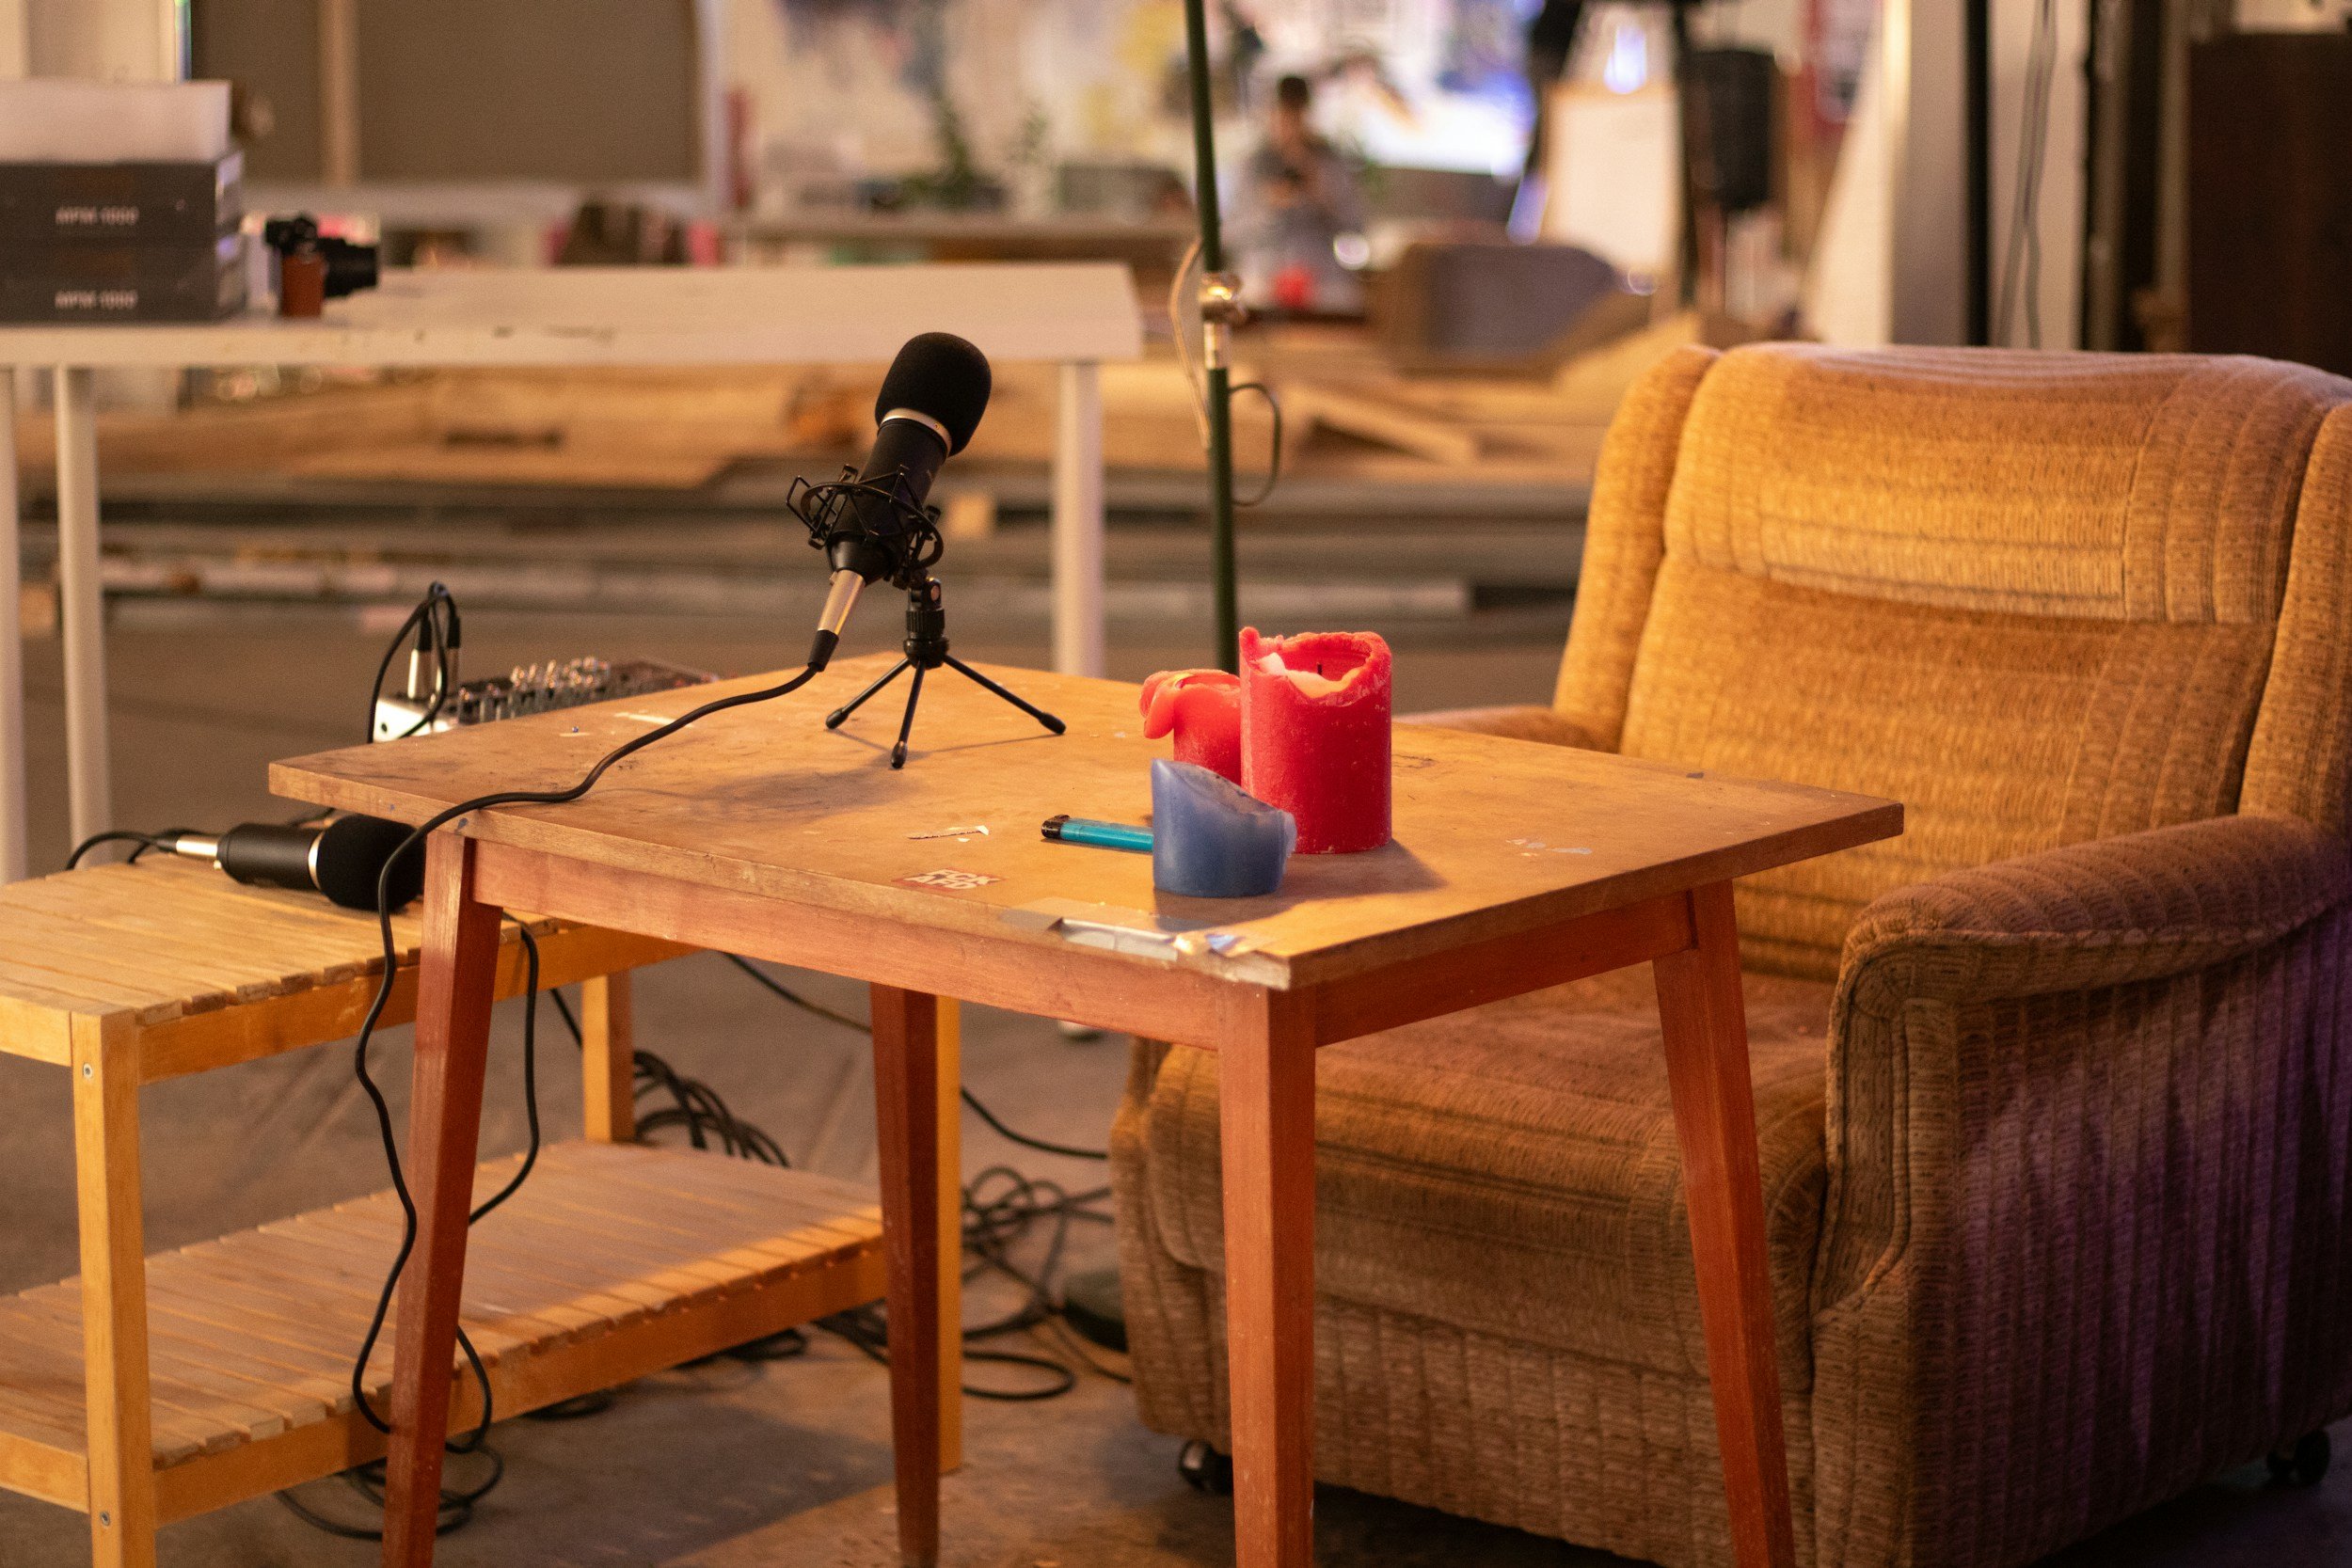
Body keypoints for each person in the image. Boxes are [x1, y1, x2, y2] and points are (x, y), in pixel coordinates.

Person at [1233, 73, 1367, 313]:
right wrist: (1269, 206)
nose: (1290, 124)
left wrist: (1321, 195)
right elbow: (1232, 232)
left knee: (1340, 305)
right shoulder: (1254, 165)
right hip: (1264, 275)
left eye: (1297, 114)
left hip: (1321, 278)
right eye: (1283, 113)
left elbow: (1356, 226)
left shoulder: (1329, 161)